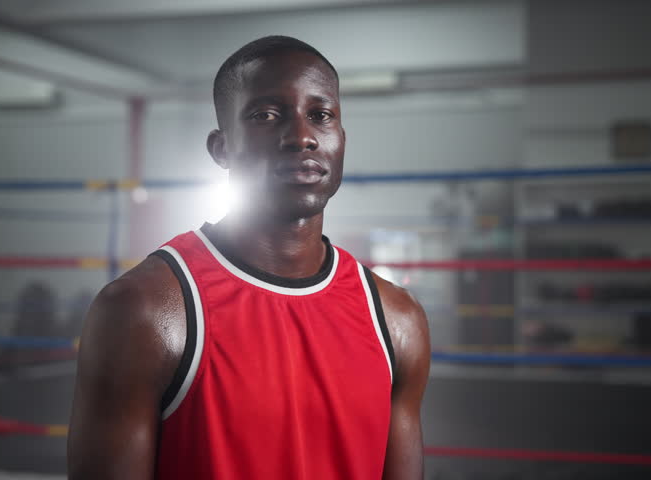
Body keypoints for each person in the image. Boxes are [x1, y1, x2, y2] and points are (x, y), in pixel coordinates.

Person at [67, 36, 430, 480]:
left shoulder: (396, 320)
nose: (301, 137)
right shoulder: (145, 312)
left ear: (341, 139)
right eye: (266, 115)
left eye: (321, 116)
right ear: (221, 148)